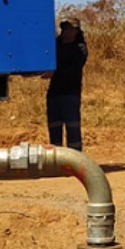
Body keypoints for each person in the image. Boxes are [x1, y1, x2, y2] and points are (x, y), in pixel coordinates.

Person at [46, 17, 88, 151]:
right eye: (64, 28)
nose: (65, 31)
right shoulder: (55, 45)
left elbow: (73, 69)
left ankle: (76, 159)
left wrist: (54, 72)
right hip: (54, 93)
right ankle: (57, 160)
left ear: (76, 30)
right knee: (54, 127)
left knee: (73, 128)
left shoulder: (80, 48)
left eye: (69, 28)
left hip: (71, 94)